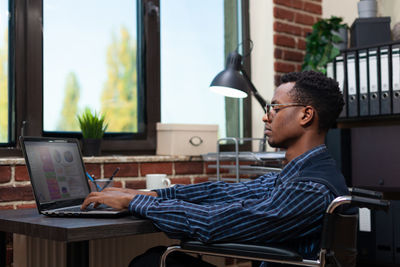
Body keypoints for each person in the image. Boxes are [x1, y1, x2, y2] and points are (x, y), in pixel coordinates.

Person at [81, 70, 348, 267]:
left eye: (275, 108)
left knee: (152, 263)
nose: (267, 116)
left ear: (306, 115)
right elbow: (224, 192)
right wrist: (154, 196)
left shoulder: (309, 188)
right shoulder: (299, 175)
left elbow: (214, 224)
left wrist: (137, 202)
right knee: (152, 258)